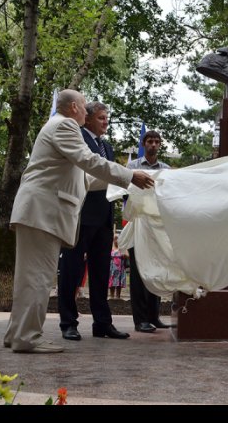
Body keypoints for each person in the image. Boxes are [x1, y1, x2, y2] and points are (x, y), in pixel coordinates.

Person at [3, 89, 155, 354]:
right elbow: (89, 161)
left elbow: (86, 179)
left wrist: (127, 184)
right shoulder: (64, 126)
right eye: (85, 107)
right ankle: (27, 337)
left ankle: (17, 333)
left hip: (40, 212)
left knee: (30, 277)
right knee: (37, 278)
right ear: (74, 107)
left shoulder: (59, 128)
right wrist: (129, 175)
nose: (86, 112)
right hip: (43, 212)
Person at [58, 101, 131, 342]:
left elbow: (110, 178)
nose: (106, 122)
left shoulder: (107, 146)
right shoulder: (77, 138)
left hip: (104, 218)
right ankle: (68, 322)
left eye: (106, 118)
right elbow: (88, 171)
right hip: (81, 215)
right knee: (72, 270)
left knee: (101, 272)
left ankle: (102, 323)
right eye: (101, 118)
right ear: (87, 119)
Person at [126, 130, 171, 333]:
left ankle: (154, 316)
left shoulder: (167, 170)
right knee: (138, 273)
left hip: (157, 227)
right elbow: (124, 192)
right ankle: (140, 319)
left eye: (156, 142)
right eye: (150, 141)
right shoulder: (132, 167)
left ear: (160, 145)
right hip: (138, 225)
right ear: (144, 144)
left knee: (156, 270)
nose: (153, 144)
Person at [108, 235, 127, 300]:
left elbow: (128, 255)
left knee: (119, 282)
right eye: (115, 239)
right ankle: (112, 296)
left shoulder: (122, 248)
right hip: (112, 268)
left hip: (120, 268)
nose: (116, 241)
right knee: (112, 281)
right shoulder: (111, 248)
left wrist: (124, 253)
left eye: (118, 239)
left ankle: (118, 296)